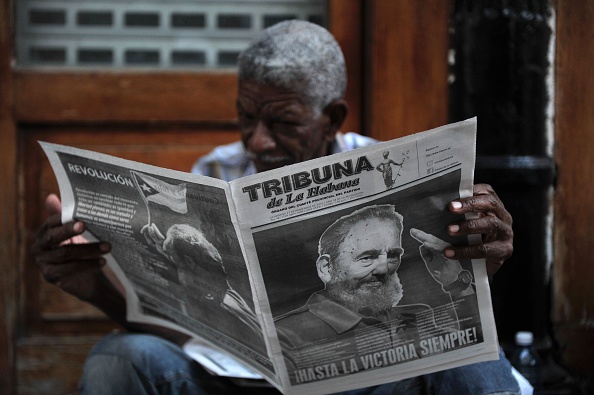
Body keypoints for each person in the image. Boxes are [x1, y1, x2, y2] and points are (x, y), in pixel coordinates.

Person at [31, 20, 517, 395]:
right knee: (119, 358)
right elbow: (187, 331)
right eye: (247, 117)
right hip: (239, 383)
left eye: (283, 122)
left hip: (361, 381)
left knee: (472, 358)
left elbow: (442, 313)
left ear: (332, 119)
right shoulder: (216, 174)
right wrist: (95, 288)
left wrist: (480, 264)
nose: (258, 141)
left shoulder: (389, 174)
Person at [275, 205, 480, 376]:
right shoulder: (285, 334)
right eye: (367, 257)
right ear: (326, 268)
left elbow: (475, 355)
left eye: (393, 255)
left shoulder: (417, 315)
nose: (384, 269)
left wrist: (455, 282)